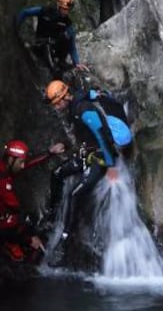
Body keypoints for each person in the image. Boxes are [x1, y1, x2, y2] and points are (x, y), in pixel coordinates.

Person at [44, 80, 133, 262]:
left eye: (55, 103)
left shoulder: (84, 110)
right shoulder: (75, 105)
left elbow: (103, 137)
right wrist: (68, 146)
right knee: (57, 174)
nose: (56, 107)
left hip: (100, 158)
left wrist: (110, 166)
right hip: (87, 154)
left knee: (74, 195)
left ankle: (64, 242)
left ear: (62, 99)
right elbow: (85, 135)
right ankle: (51, 216)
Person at [0, 139, 65, 261]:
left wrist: (50, 152)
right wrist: (30, 237)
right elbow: (16, 209)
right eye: (20, 162)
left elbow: (29, 162)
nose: (22, 166)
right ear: (11, 160)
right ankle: (8, 245)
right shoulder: (2, 181)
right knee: (17, 222)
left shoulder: (5, 166)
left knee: (19, 221)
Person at [15, 0, 86, 73]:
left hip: (55, 48)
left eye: (68, 10)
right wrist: (16, 28)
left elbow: (72, 46)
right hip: (41, 44)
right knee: (47, 45)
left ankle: (60, 62)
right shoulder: (45, 11)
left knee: (68, 34)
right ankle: (52, 65)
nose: (66, 12)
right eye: (64, 9)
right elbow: (25, 12)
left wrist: (77, 63)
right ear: (59, 6)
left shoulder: (67, 23)